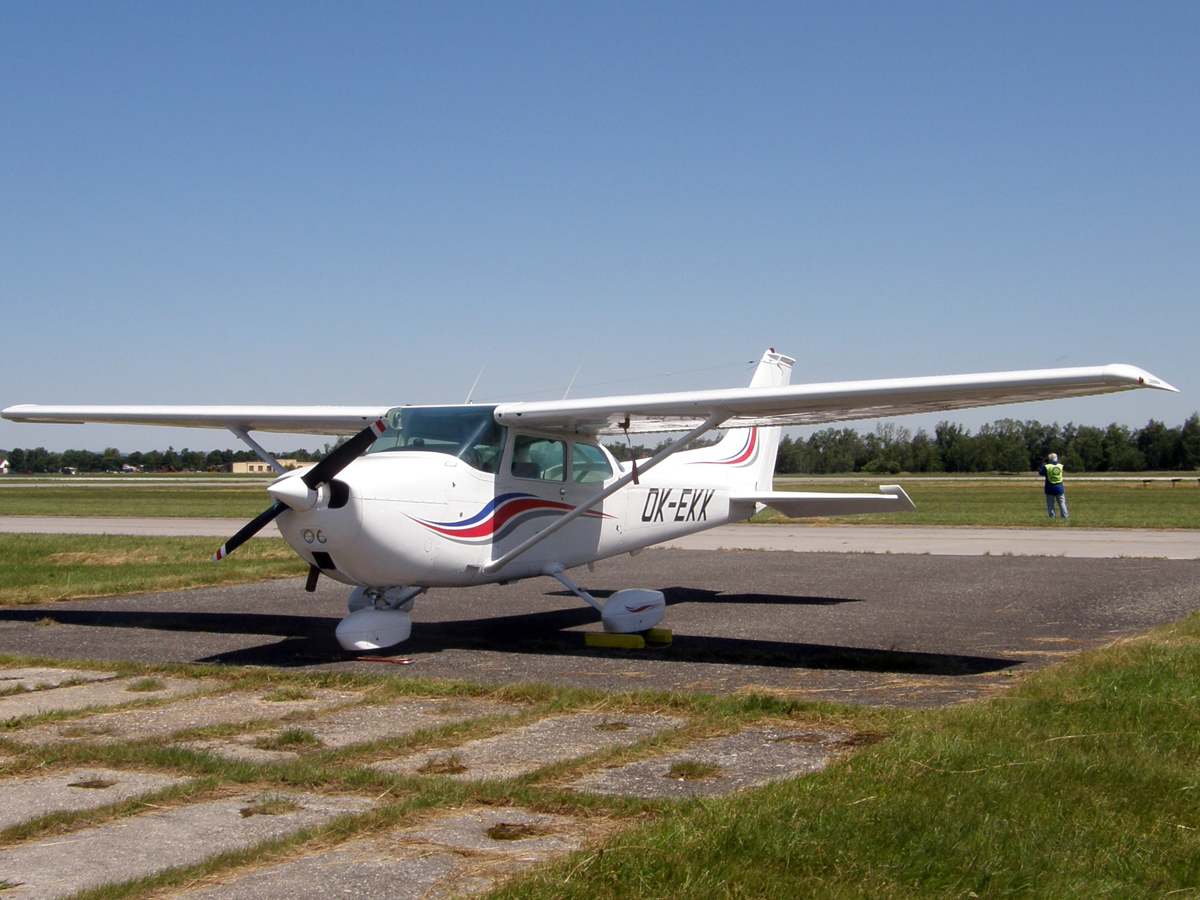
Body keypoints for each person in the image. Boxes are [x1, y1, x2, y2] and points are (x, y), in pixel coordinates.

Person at [1038, 452, 1069, 521]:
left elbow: (1041, 473)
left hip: (1050, 487)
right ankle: (1065, 517)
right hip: (1059, 487)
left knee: (1050, 504)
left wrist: (1043, 465)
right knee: (1062, 503)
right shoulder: (1061, 466)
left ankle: (1052, 518)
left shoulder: (1047, 467)